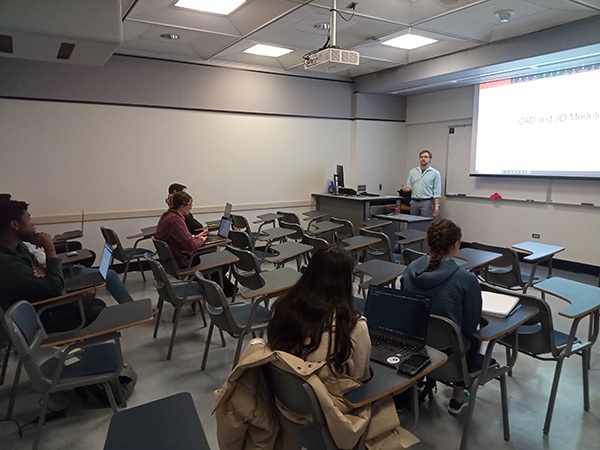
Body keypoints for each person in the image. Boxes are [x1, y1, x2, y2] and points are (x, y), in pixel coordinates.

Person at [0, 200, 133, 332]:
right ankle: (128, 315)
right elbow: (55, 287)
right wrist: (49, 248)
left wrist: (45, 271)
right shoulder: (6, 263)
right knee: (100, 312)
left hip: (46, 303)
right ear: (14, 224)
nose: (33, 223)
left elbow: (40, 273)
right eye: (28, 219)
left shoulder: (19, 247)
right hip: (40, 318)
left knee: (96, 304)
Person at [401, 219, 482, 415]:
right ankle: (457, 397)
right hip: (449, 355)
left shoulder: (411, 269)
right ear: (456, 246)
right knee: (472, 339)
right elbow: (471, 324)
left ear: (428, 243)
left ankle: (420, 381)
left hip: (415, 345)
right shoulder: (466, 279)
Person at [268, 244, 371, 381]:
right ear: (346, 281)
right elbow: (360, 378)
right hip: (332, 400)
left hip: (286, 396)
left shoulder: (282, 308)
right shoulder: (354, 326)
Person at [155, 192, 209, 269]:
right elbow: (191, 245)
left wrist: (194, 237)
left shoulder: (167, 215)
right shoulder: (175, 220)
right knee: (214, 257)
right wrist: (202, 239)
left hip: (171, 261)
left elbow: (179, 239)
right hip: (182, 262)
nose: (191, 207)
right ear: (182, 206)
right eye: (189, 204)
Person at [401, 150, 442, 217]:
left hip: (427, 202)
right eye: (421, 157)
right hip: (414, 202)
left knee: (425, 224)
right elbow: (410, 186)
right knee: (413, 223)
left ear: (430, 159)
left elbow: (437, 191)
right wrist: (406, 189)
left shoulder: (435, 173)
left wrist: (437, 206)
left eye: (425, 157)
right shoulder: (412, 171)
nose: (423, 159)